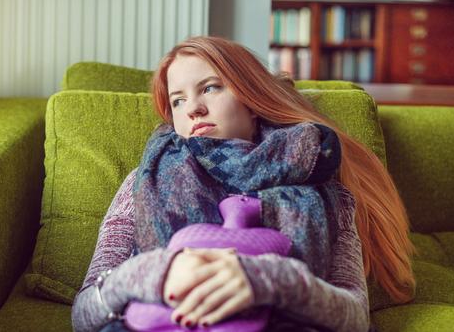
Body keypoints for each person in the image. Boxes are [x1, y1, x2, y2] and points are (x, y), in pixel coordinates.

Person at [71, 36, 416, 332]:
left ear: (251, 101)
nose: (193, 108)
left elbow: (354, 316)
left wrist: (264, 280)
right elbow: (85, 313)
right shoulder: (143, 182)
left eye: (210, 87)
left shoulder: (323, 187)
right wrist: (162, 271)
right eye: (178, 99)